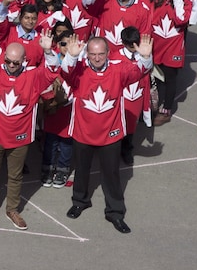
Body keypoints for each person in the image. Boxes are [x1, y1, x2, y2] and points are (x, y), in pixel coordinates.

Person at [0, 18, 57, 230]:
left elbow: (52, 71)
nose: (10, 65)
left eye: (15, 63)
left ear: (24, 62)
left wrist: (48, 51)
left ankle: (12, 209)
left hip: (20, 137)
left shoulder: (33, 77)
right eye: (8, 61)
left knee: (15, 176)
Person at [63, 35, 153, 234]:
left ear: (108, 54)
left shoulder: (118, 70)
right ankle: (80, 201)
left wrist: (145, 58)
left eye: (100, 54)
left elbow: (139, 72)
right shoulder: (79, 71)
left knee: (112, 175)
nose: (96, 58)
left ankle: (115, 212)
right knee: (82, 171)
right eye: (92, 54)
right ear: (87, 54)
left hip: (110, 134)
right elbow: (65, 72)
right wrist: (71, 56)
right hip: (82, 131)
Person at [149, 0, 190, 125]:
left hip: (173, 48)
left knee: (170, 79)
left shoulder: (185, 2)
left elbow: (181, 19)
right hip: (155, 45)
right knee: (155, 78)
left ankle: (166, 110)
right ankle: (152, 106)